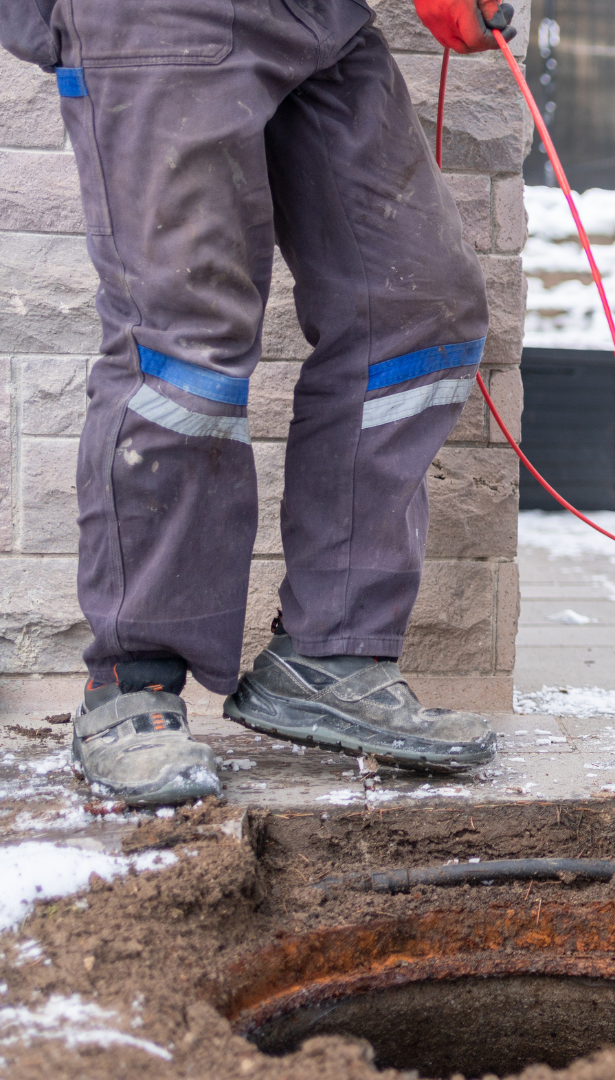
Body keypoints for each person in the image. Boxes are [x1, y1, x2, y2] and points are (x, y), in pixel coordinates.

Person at [1, 0, 519, 807]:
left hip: (319, 18)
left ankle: (329, 653)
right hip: (160, 19)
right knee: (186, 341)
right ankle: (131, 684)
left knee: (419, 307)